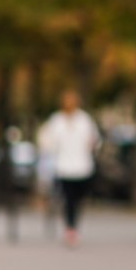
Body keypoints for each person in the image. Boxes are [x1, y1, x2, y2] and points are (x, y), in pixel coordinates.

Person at [39, 89, 100, 248]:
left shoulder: (84, 120)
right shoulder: (57, 121)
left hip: (83, 166)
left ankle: (73, 225)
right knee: (69, 199)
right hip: (64, 166)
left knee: (78, 198)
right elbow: (48, 141)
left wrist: (92, 145)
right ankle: (70, 228)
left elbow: (94, 139)